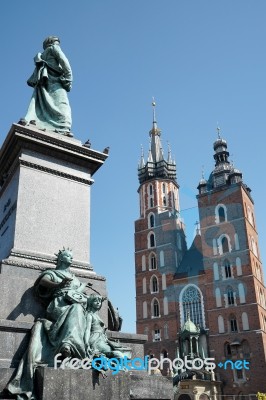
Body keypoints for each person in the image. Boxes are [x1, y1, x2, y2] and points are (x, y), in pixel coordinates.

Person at [23, 36, 73, 136]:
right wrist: (68, 78)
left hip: (44, 84)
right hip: (55, 82)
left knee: (42, 106)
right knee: (63, 106)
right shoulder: (54, 48)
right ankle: (64, 128)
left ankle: (40, 124)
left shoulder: (41, 55)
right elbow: (64, 61)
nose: (58, 44)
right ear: (50, 42)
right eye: (56, 41)